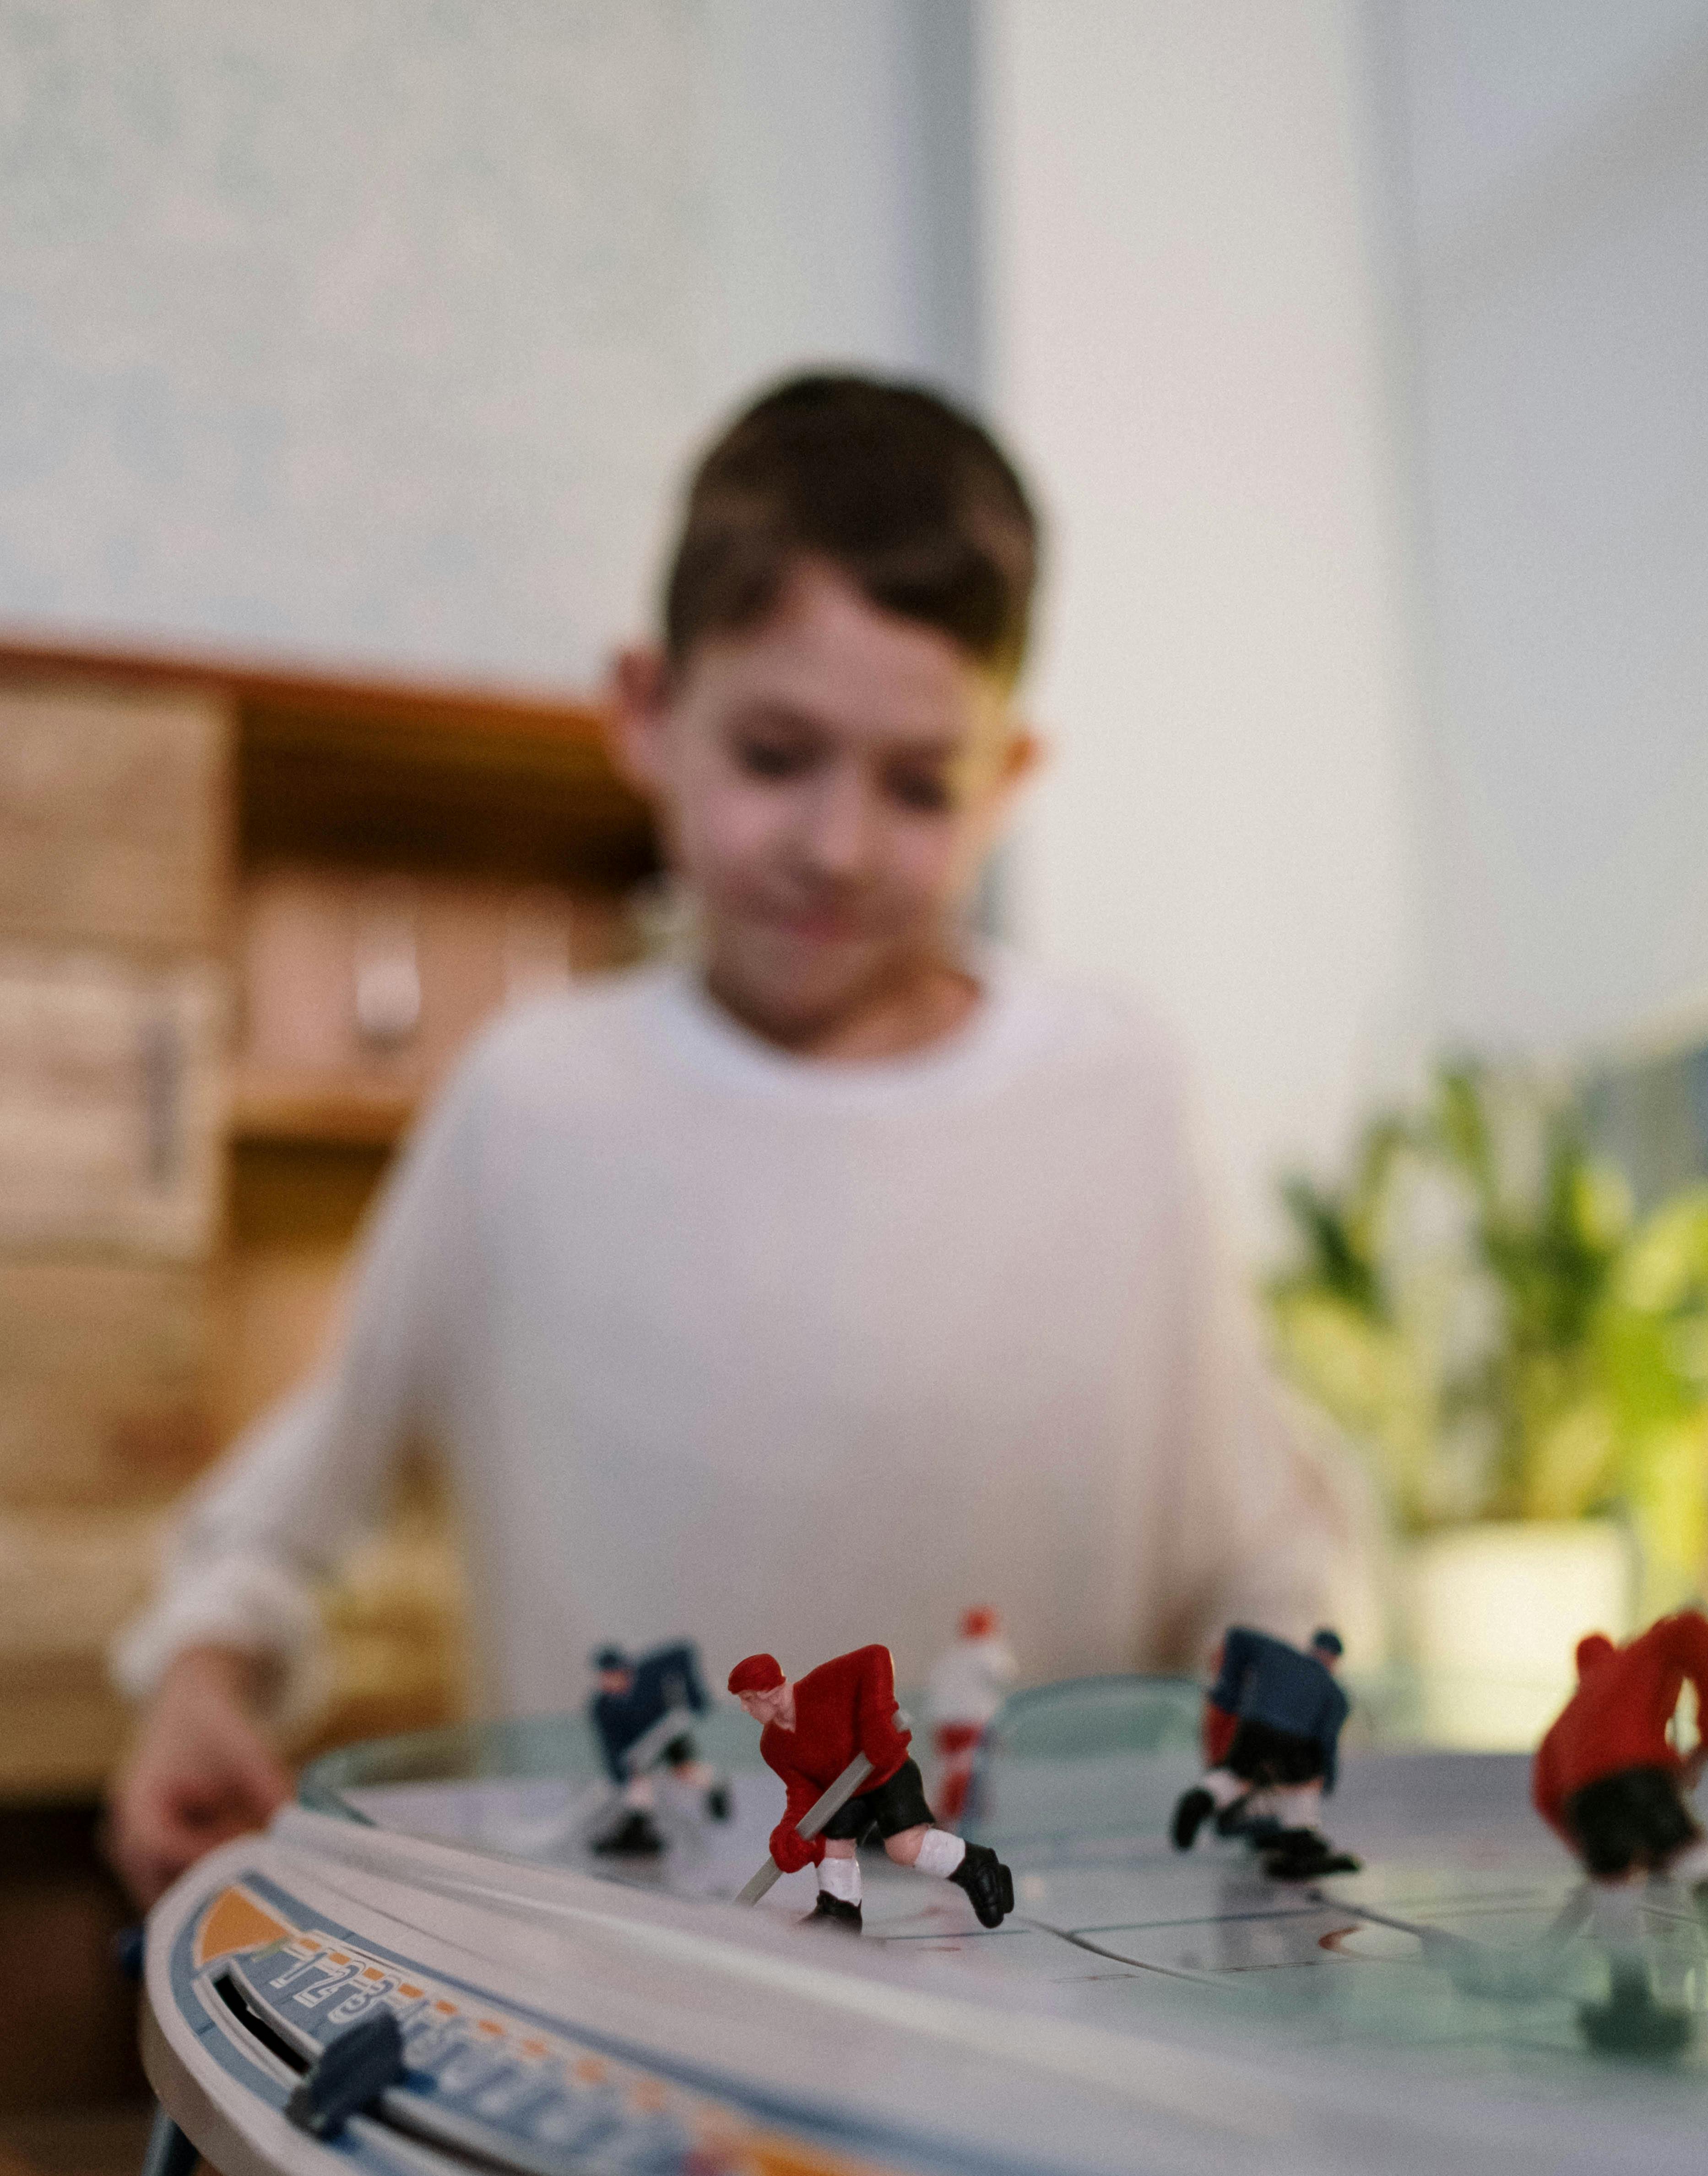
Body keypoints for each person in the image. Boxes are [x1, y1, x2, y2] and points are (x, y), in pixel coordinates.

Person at [105, 371, 1351, 1910]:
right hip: (622, 1992)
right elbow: (281, 1522)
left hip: (1041, 1988)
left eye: (915, 783)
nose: (833, 845)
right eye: (775, 756)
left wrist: (1289, 1724)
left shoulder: (1117, 1092)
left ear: (1007, 780)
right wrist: (204, 1681)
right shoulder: (527, 1103)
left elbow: (1261, 1553)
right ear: (645, 711)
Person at [1532, 1611, 1708, 2052]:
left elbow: (1546, 1797)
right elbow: (1693, 1630)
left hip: (1586, 1800)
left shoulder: (1568, 1716)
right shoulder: (1648, 1649)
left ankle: (1627, 1999)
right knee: (1689, 1854)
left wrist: (1591, 1851)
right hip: (1639, 1772)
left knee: (1614, 1894)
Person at [728, 1645, 1011, 1932]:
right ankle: (840, 1910)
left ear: (772, 1694)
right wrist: (791, 1832)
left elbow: (875, 1655)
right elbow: (804, 1793)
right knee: (830, 1842)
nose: (744, 1708)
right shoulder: (772, 1746)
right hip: (845, 1793)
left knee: (904, 1848)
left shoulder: (820, 1685)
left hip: (886, 1772)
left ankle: (977, 1865)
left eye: (748, 1699)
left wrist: (876, 1716)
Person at [1170, 1624, 1357, 1882]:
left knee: (1238, 1776)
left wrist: (1229, 1691)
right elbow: (1327, 1743)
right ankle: (1300, 1837)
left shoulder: (1280, 1654)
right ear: (1335, 1659)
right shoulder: (1335, 1694)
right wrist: (1329, 1778)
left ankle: (1202, 1798)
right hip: (1295, 1741)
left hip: (1254, 1728)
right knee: (1305, 1778)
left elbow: (1237, 1636)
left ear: (1312, 1647)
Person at [586, 1640, 728, 1857]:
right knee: (638, 1781)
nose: (611, 1681)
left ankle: (715, 1788)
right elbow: (611, 1745)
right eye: (606, 1676)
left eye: (615, 1674)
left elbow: (684, 1652)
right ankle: (639, 1832)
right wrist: (618, 1771)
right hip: (640, 1752)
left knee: (685, 1771)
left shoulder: (648, 1673)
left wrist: (694, 1696)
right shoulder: (602, 1707)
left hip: (669, 1736)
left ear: (625, 1670)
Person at [926, 1606, 1018, 1824]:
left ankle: (947, 1818)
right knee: (969, 1772)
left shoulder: (952, 1656)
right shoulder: (985, 1652)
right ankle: (959, 1821)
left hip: (947, 1724)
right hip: (972, 1724)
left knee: (954, 1772)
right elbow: (1006, 1673)